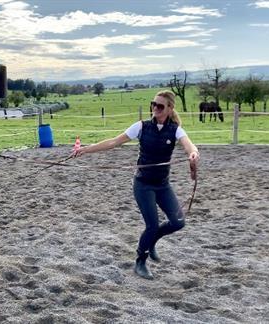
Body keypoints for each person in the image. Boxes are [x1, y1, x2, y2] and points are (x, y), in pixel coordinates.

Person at [71, 90, 199, 280]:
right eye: (153, 104)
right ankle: (140, 261)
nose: (155, 108)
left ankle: (152, 240)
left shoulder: (175, 130)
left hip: (162, 185)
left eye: (160, 106)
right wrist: (85, 150)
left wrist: (193, 154)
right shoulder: (141, 127)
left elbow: (189, 145)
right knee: (152, 225)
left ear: (170, 108)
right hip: (143, 184)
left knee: (178, 222)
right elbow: (114, 142)